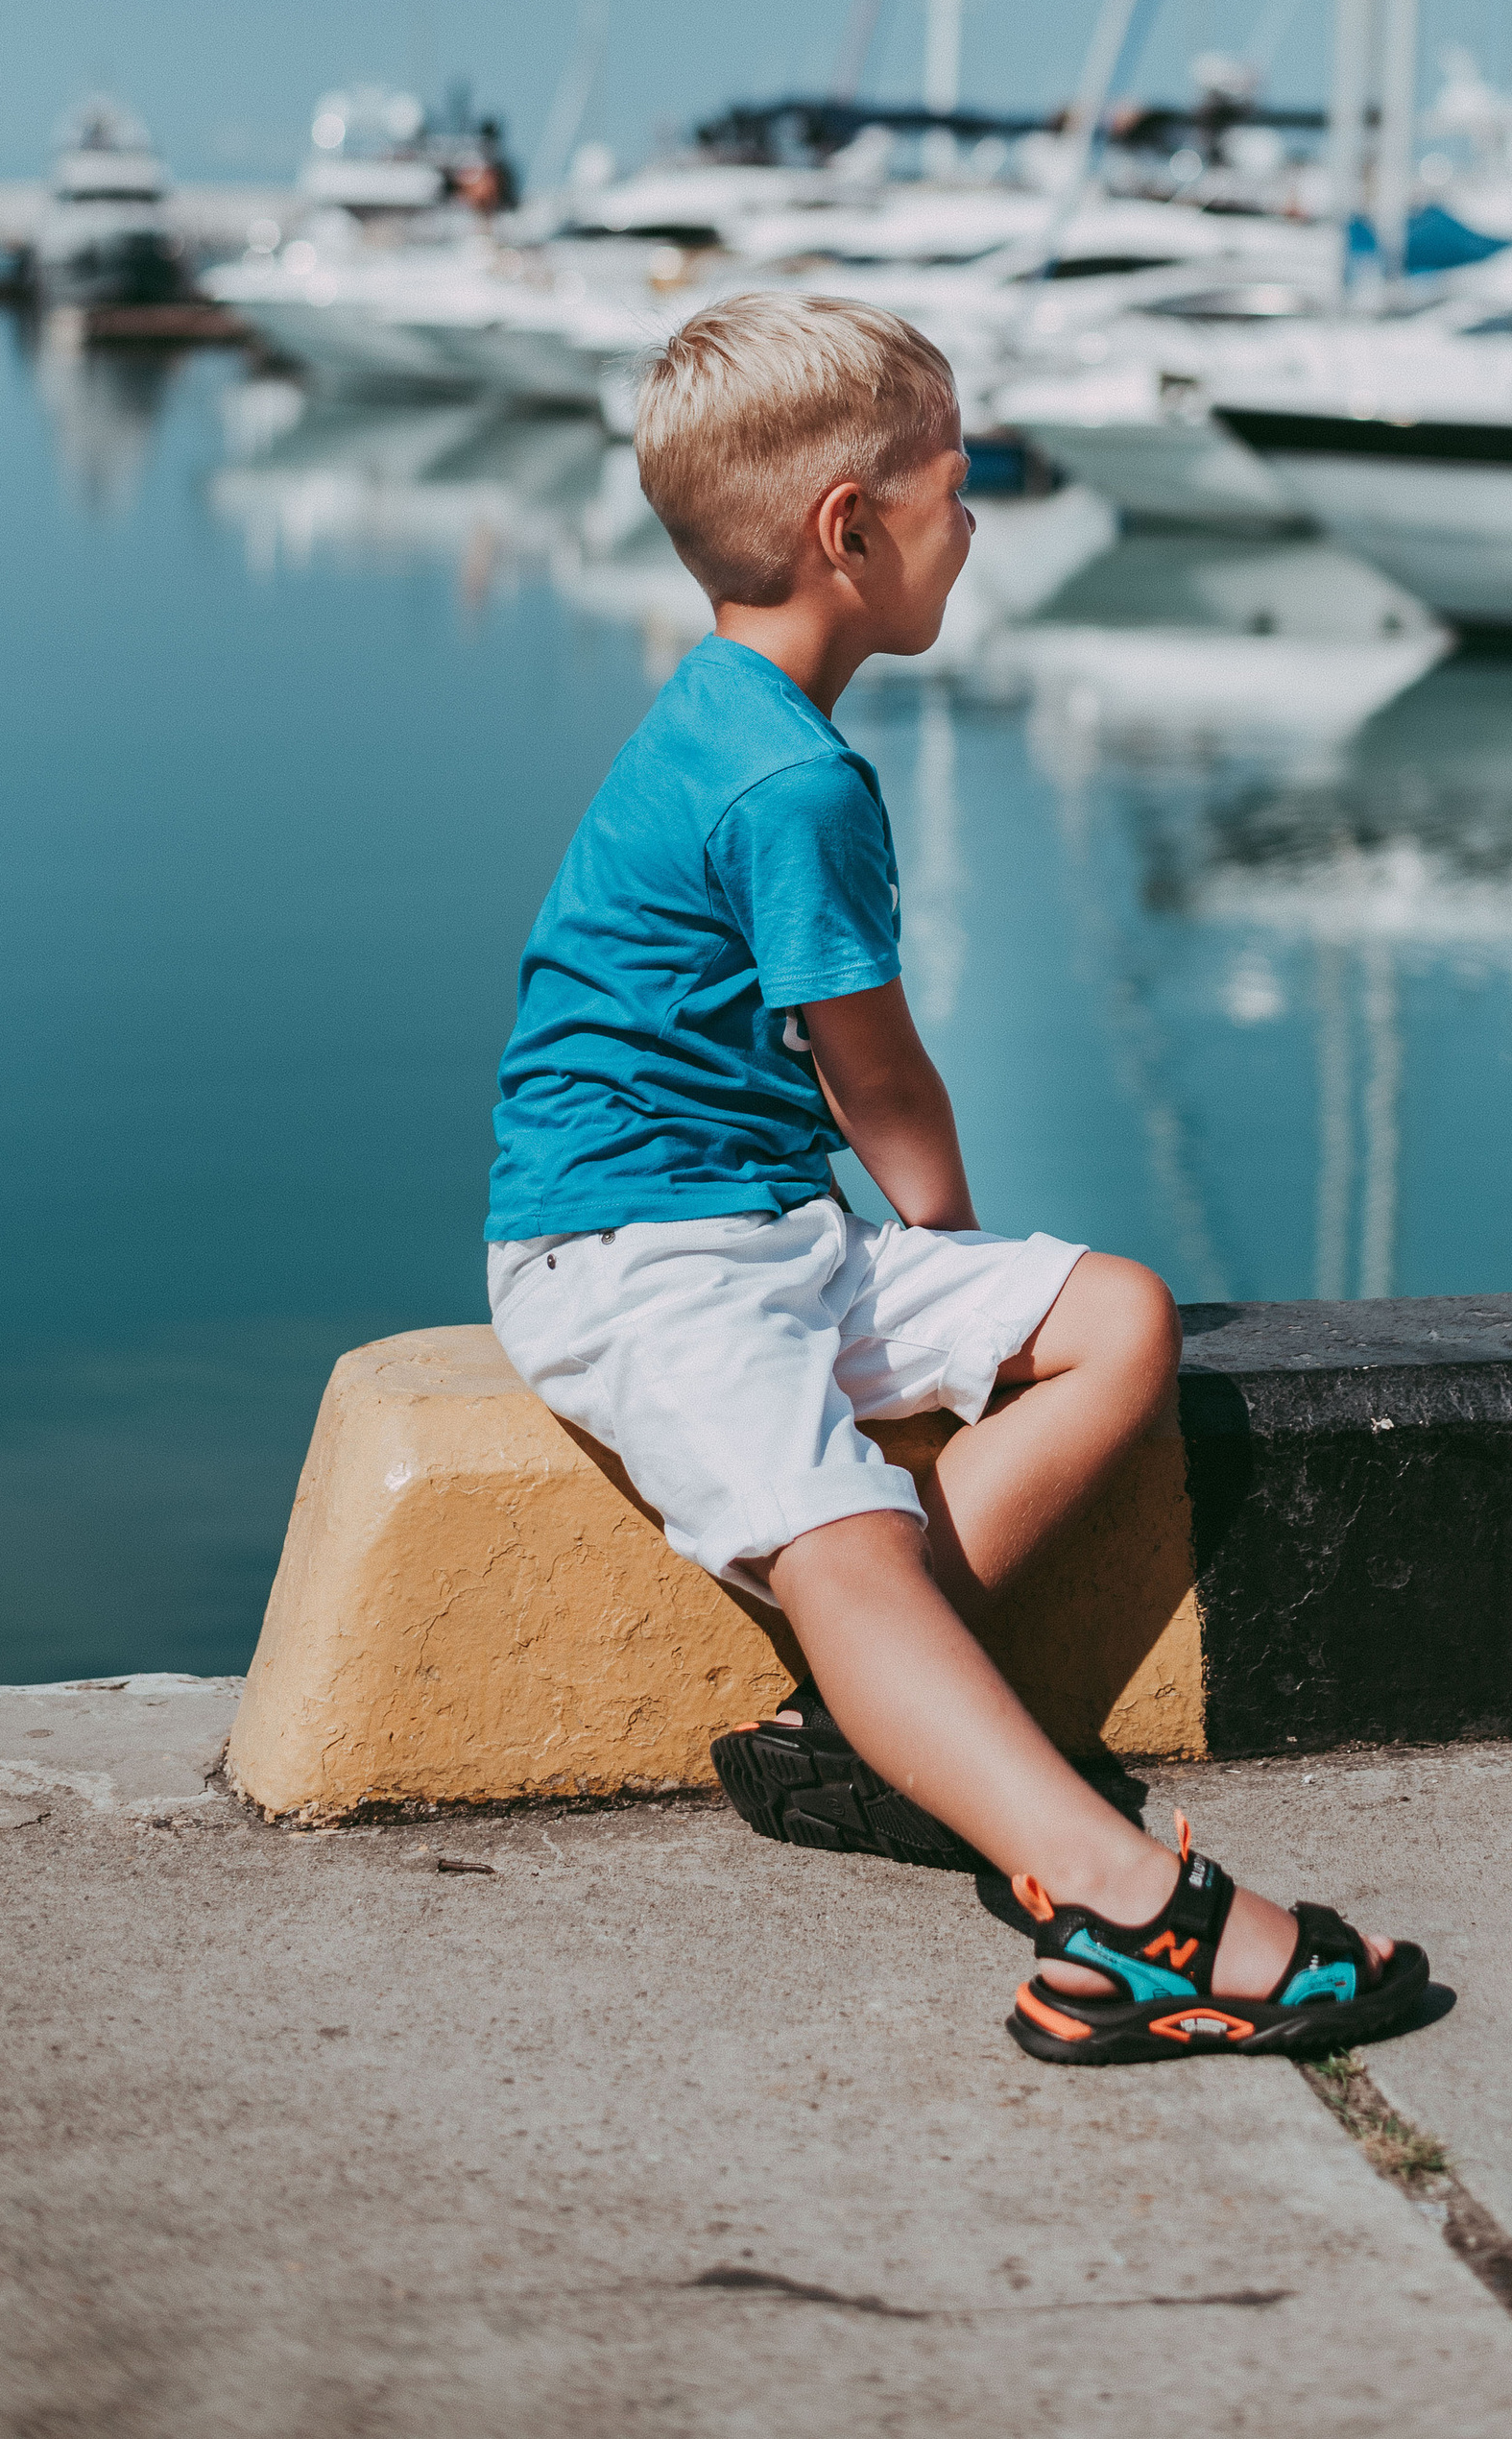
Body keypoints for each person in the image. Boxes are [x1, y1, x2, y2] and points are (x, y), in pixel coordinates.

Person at [485, 291, 1427, 2063]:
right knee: (838, 1536)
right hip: (630, 1247)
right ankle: (1123, 1901)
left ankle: (876, 1730)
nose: (978, 519)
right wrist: (942, 1237)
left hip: (765, 1218)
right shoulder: (788, 781)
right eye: (957, 483)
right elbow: (879, 1073)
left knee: (1114, 1320)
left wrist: (938, 1276)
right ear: (853, 529)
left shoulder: (732, 711)